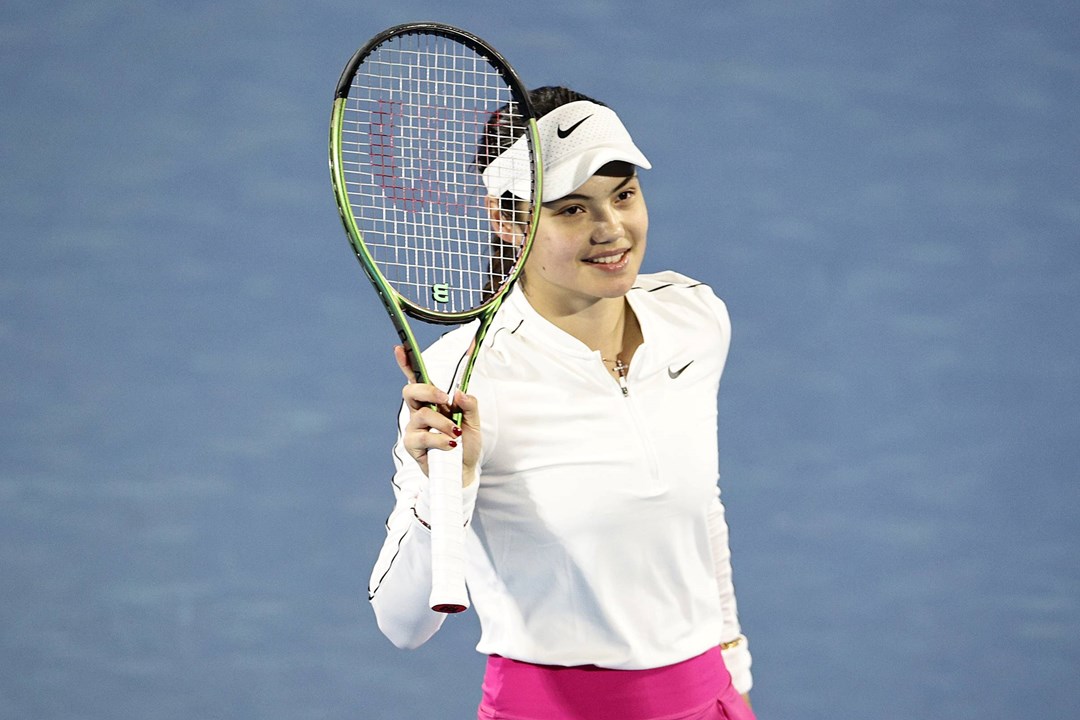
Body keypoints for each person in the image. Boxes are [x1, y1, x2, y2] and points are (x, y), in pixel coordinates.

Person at [368, 86, 757, 720]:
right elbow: (402, 624)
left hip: (704, 699)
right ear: (507, 218)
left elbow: (699, 513)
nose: (612, 229)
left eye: (623, 194)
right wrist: (445, 487)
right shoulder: (462, 377)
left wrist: (732, 670)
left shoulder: (693, 320)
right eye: (572, 209)